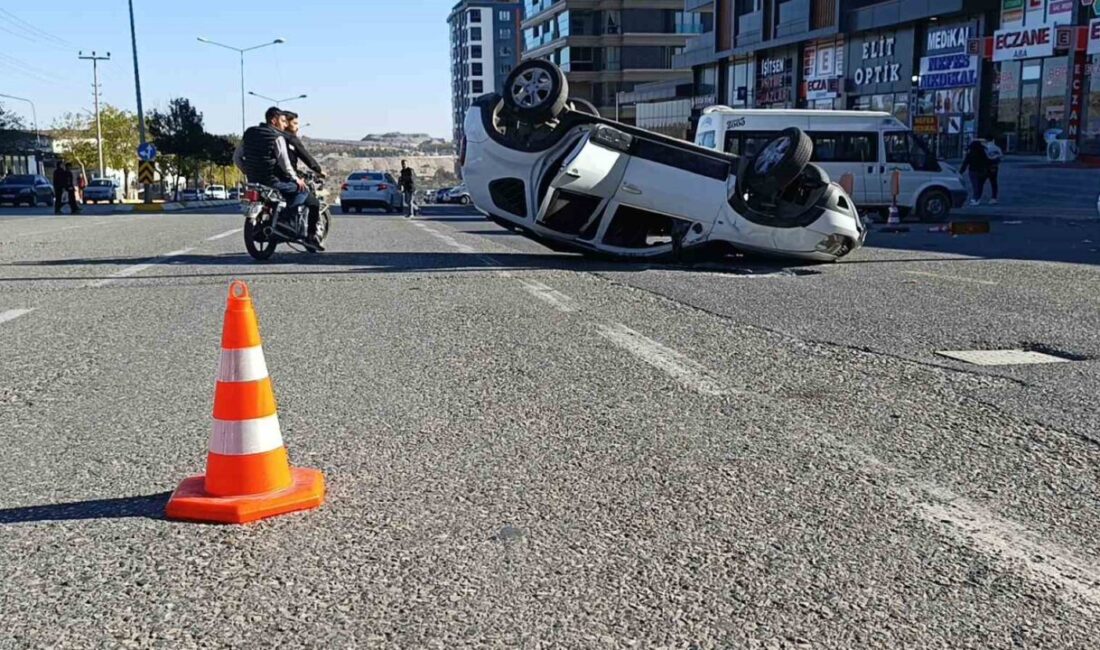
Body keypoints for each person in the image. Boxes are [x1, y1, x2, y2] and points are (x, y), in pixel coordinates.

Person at [234, 106, 319, 250]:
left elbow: (237, 157)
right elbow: (284, 163)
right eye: (283, 121)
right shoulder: (277, 137)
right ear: (274, 120)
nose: (285, 125)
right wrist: (296, 179)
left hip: (254, 180)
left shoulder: (249, 133)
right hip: (272, 181)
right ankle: (287, 219)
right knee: (303, 191)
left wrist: (247, 171)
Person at [280, 110, 325, 245]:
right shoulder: (290, 138)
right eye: (294, 123)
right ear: (286, 123)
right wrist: (319, 170)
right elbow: (305, 156)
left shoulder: (273, 137)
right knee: (313, 202)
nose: (297, 126)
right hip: (287, 178)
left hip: (272, 176)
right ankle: (310, 236)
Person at [958, 139, 991, 206]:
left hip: (973, 171)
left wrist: (960, 172)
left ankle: (975, 198)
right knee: (980, 185)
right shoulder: (983, 153)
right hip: (982, 171)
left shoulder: (970, 154)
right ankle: (977, 198)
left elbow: (965, 163)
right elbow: (987, 162)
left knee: (975, 185)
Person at [983, 139, 1003, 205]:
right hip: (994, 167)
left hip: (985, 166)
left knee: (980, 182)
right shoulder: (997, 148)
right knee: (994, 183)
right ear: (993, 140)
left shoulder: (984, 148)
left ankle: (977, 197)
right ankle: (994, 198)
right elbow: (1001, 157)